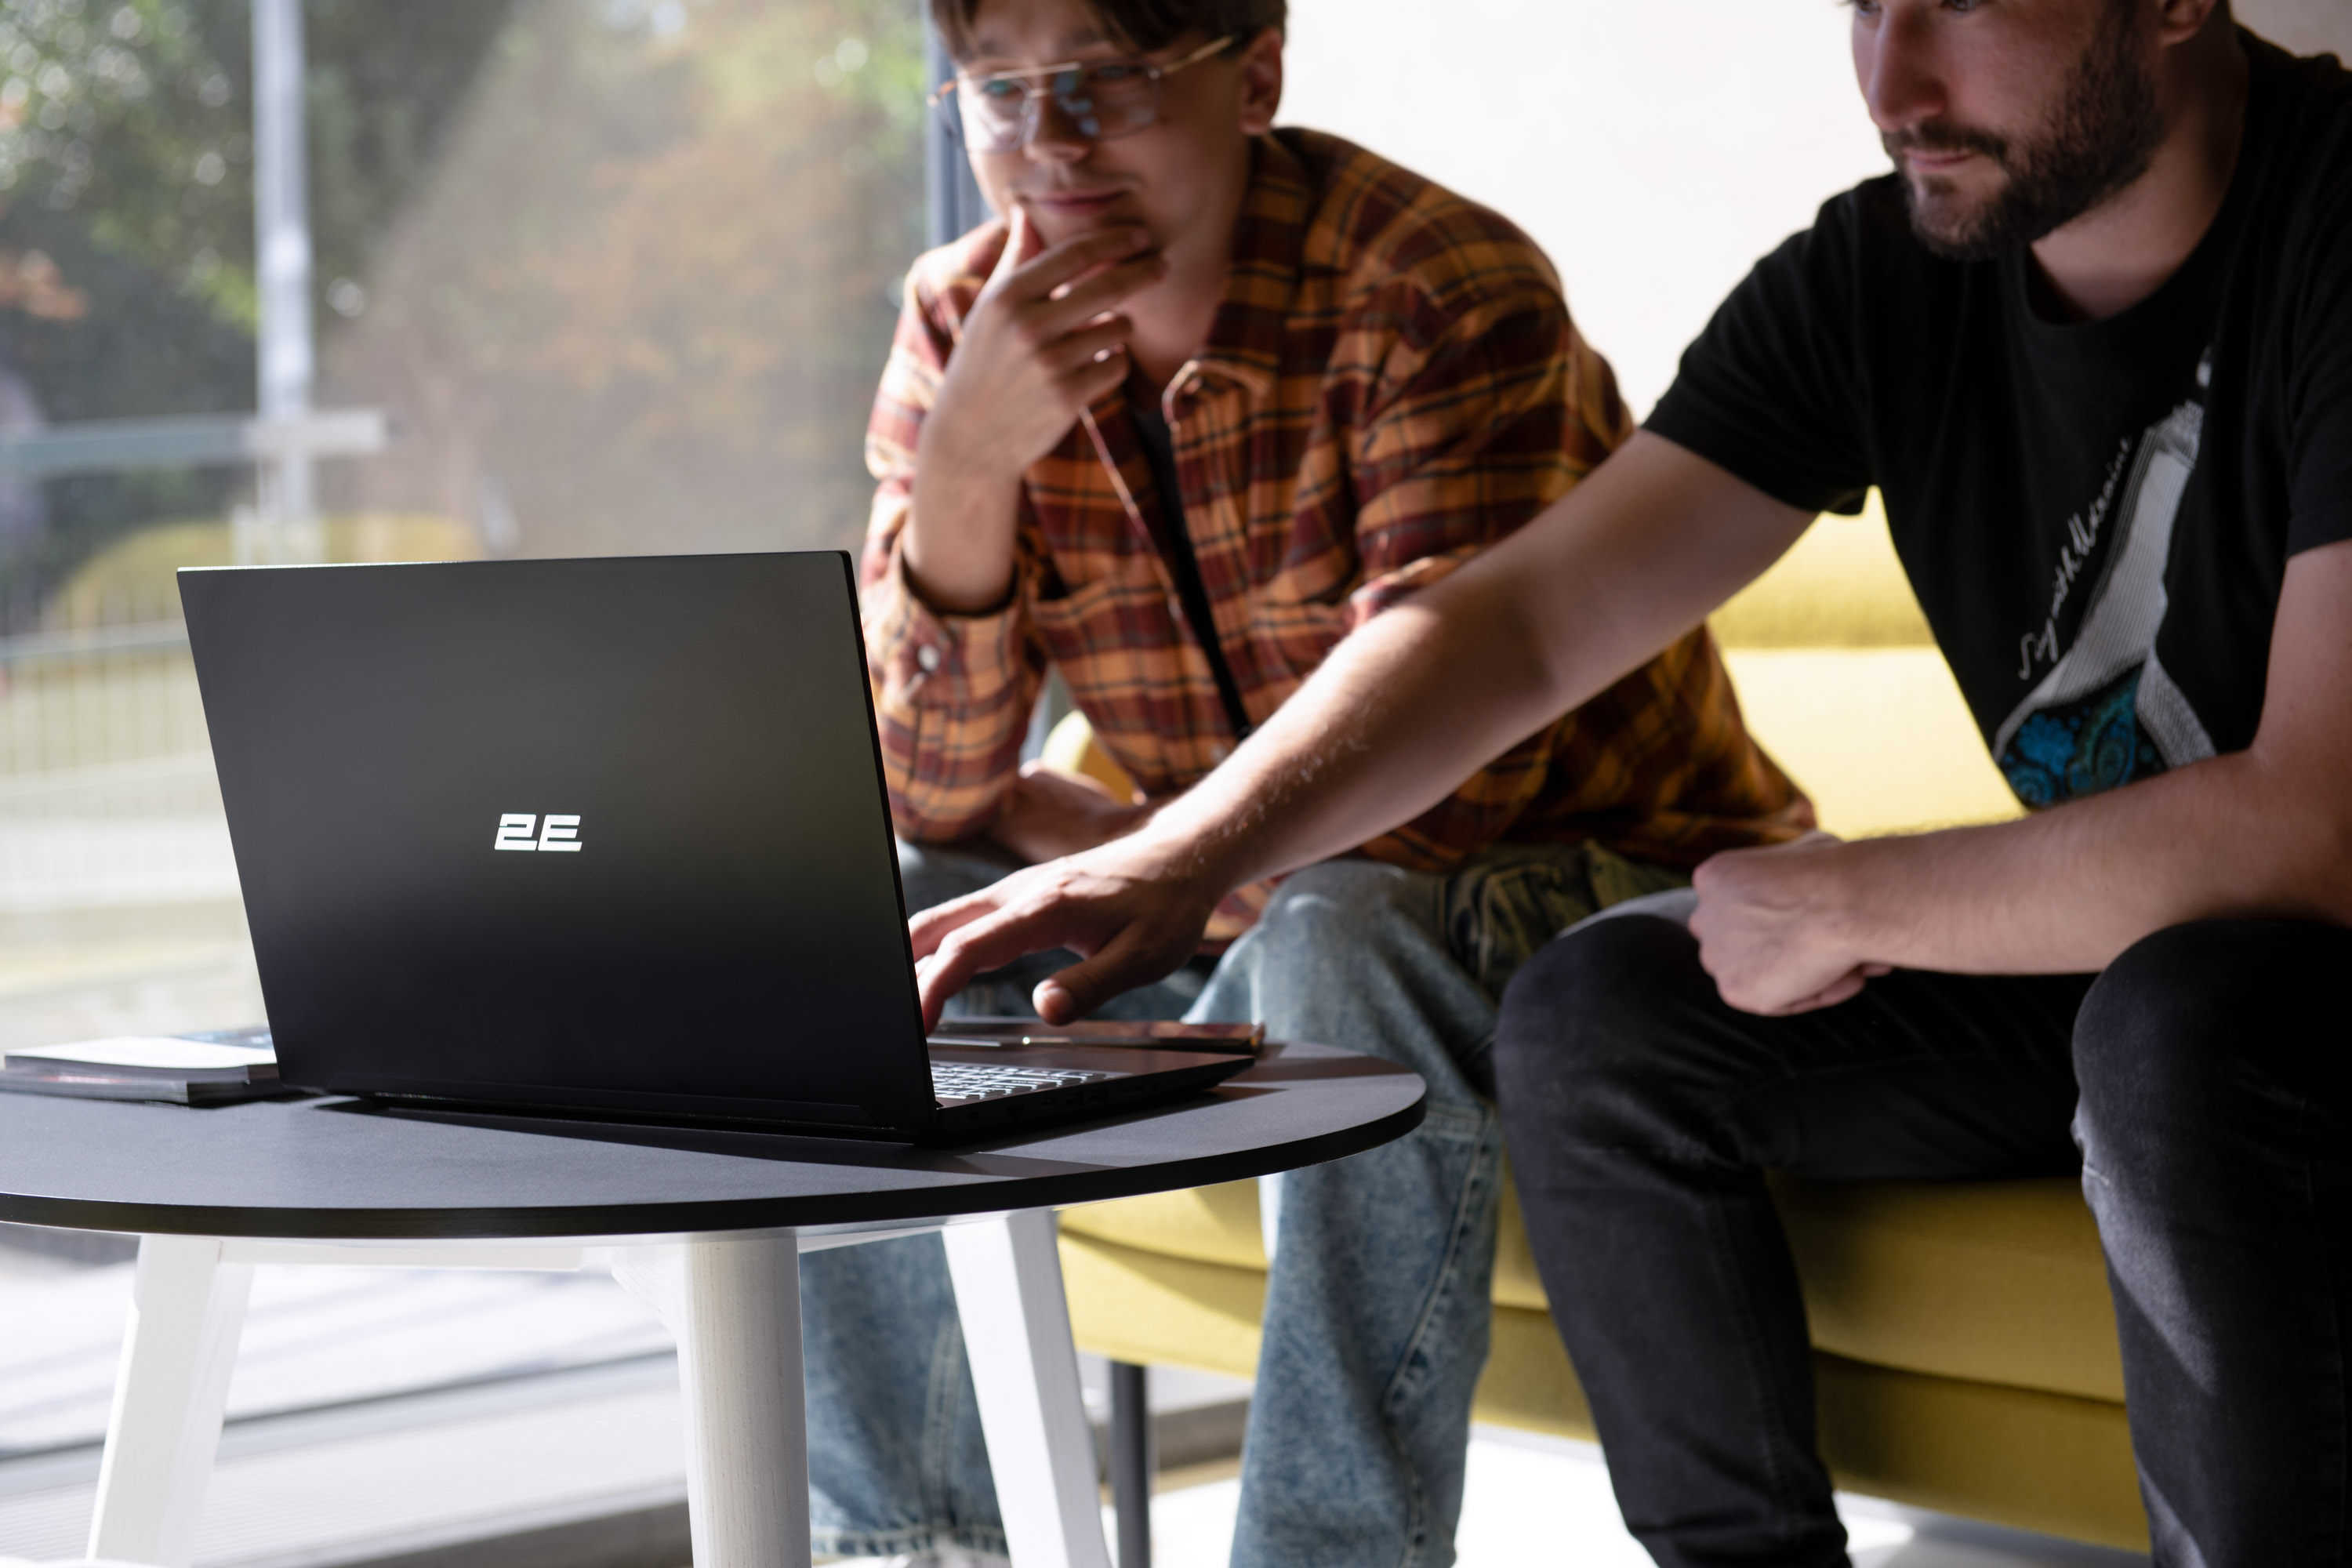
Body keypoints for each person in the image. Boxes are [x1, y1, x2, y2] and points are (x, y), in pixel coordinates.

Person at [906, 0, 2352, 1564]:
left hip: (2279, 970)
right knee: (1605, 1015)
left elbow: (2318, 829)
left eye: (1960, 1)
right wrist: (1179, 852)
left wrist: (1862, 895)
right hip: (2143, 950)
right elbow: (1526, 621)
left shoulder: (2334, 224)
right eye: (1866, 4)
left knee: (2175, 1022)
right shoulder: (1884, 275)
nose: (1895, 82)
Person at [804, 0, 1813, 1562]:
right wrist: (966, 468)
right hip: (1250, 909)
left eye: (1106, 83)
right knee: (877, 931)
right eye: (999, 95)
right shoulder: (959, 323)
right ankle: (918, 1551)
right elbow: (923, 792)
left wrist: (1158, 845)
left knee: (1344, 925)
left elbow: (1445, 802)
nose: (1049, 145)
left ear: (1255, 72)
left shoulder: (1432, 292)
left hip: (1602, 898)